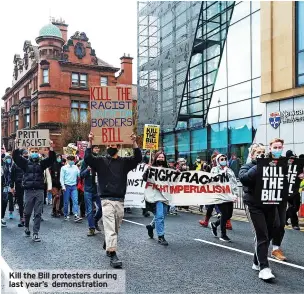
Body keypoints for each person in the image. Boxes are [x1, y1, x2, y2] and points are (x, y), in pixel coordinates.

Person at [84, 132, 142, 268]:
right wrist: (90, 142)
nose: (111, 146)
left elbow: (137, 158)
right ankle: (113, 254)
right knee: (110, 227)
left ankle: (108, 242)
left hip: (120, 200)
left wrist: (134, 142)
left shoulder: (124, 162)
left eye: (113, 144)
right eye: (108, 144)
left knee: (116, 227)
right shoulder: (100, 161)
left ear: (118, 146)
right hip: (106, 200)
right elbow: (88, 158)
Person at [239, 143, 276, 280]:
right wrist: (258, 165)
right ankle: (264, 268)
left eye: (262, 152)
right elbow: (244, 179)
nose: (261, 154)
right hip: (254, 206)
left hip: (269, 205)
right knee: (262, 235)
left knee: (271, 232)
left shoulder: (271, 166)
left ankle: (257, 261)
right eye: (257, 152)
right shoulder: (247, 166)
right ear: (252, 155)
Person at [12, 141, 56, 241]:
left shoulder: (42, 164)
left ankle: (36, 233)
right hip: (28, 191)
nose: (35, 152)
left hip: (39, 191)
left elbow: (52, 159)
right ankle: (27, 226)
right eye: (33, 151)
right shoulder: (25, 163)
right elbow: (16, 157)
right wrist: (17, 146)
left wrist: (51, 147)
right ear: (29, 152)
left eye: (36, 150)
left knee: (38, 213)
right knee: (27, 212)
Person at [143, 151, 170, 245]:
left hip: (165, 195)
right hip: (156, 195)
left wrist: (178, 173)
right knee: (160, 216)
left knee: (163, 214)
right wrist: (148, 170)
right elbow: (144, 178)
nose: (161, 159)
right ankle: (161, 237)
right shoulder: (151, 168)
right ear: (156, 158)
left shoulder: (168, 169)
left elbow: (174, 179)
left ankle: (151, 226)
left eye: (163, 157)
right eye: (159, 157)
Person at [267, 138, 288, 261]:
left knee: (281, 225)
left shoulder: (286, 162)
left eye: (280, 147)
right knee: (274, 224)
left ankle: (275, 249)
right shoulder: (264, 161)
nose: (277, 149)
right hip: (268, 198)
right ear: (270, 148)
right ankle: (262, 246)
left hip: (282, 198)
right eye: (275, 147)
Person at [209, 154, 238, 242]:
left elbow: (234, 183)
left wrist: (235, 194)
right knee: (224, 214)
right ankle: (223, 235)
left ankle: (215, 224)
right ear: (218, 161)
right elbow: (213, 180)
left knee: (229, 215)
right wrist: (222, 172)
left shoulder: (230, 170)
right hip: (220, 196)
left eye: (225, 159)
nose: (224, 160)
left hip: (229, 195)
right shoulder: (214, 169)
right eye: (222, 159)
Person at [80, 145, 102, 236]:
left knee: (102, 208)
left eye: (98, 148)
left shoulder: (100, 160)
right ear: (91, 150)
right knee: (89, 210)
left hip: (98, 189)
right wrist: (87, 169)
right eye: (95, 148)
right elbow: (81, 175)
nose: (97, 149)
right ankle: (91, 228)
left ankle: (95, 220)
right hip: (88, 189)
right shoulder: (85, 161)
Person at [60, 155, 82, 222]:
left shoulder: (75, 167)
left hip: (74, 186)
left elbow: (79, 175)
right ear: (67, 160)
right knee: (66, 202)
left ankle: (76, 215)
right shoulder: (64, 168)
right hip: (66, 186)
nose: (71, 161)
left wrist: (81, 170)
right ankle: (66, 215)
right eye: (70, 160)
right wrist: (63, 186)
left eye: (73, 160)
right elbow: (61, 178)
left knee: (75, 201)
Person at [10, 150, 28, 227]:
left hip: (27, 185)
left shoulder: (29, 163)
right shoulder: (15, 164)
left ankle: (26, 218)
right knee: (20, 202)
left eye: (26, 154)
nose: (25, 155)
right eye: (24, 154)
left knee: (27, 202)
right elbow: (12, 176)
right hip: (18, 185)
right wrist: (11, 187)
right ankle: (22, 218)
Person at [285, 151, 301, 231]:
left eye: (293, 157)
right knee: (293, 207)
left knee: (295, 207)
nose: (292, 159)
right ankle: (295, 224)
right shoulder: (284, 164)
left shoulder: (298, 164)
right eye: (291, 158)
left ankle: (285, 217)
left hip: (295, 190)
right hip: (287, 191)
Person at [2, 155, 14, 220]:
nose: (9, 160)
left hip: (11, 185)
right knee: (4, 200)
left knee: (11, 200)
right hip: (5, 186)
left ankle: (11, 212)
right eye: (7, 159)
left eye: (10, 159)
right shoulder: (4, 167)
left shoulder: (13, 166)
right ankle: (2, 215)